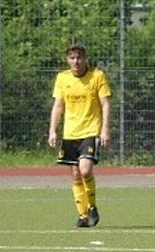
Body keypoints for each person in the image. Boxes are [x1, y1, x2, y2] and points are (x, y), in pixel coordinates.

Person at [47, 44, 112, 228]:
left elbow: (105, 104)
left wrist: (105, 129)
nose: (76, 61)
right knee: (75, 175)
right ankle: (83, 215)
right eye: (72, 58)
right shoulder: (62, 78)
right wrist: (53, 130)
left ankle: (92, 207)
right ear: (68, 60)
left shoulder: (97, 76)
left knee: (85, 170)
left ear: (85, 59)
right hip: (70, 133)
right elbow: (58, 106)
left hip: (90, 131)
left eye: (79, 58)